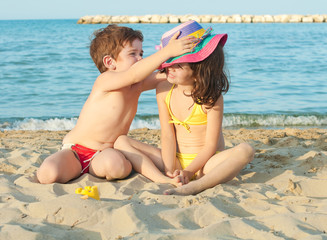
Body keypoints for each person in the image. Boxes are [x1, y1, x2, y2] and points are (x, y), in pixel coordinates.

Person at [37, 24, 196, 184]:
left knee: (118, 167)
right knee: (49, 174)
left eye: (141, 53)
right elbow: (134, 74)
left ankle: (101, 167)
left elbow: (171, 75)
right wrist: (166, 52)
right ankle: (74, 168)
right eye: (133, 54)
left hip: (105, 154)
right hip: (76, 150)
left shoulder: (138, 84)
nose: (140, 59)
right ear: (110, 62)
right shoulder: (105, 80)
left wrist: (179, 56)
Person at [114, 20, 255, 195]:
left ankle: (198, 185)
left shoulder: (211, 96)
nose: (169, 69)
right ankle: (164, 179)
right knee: (121, 141)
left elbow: (211, 145)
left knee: (246, 150)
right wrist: (170, 169)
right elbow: (167, 136)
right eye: (168, 64)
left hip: (206, 163)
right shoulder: (164, 90)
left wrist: (190, 172)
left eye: (178, 65)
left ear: (198, 69)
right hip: (176, 161)